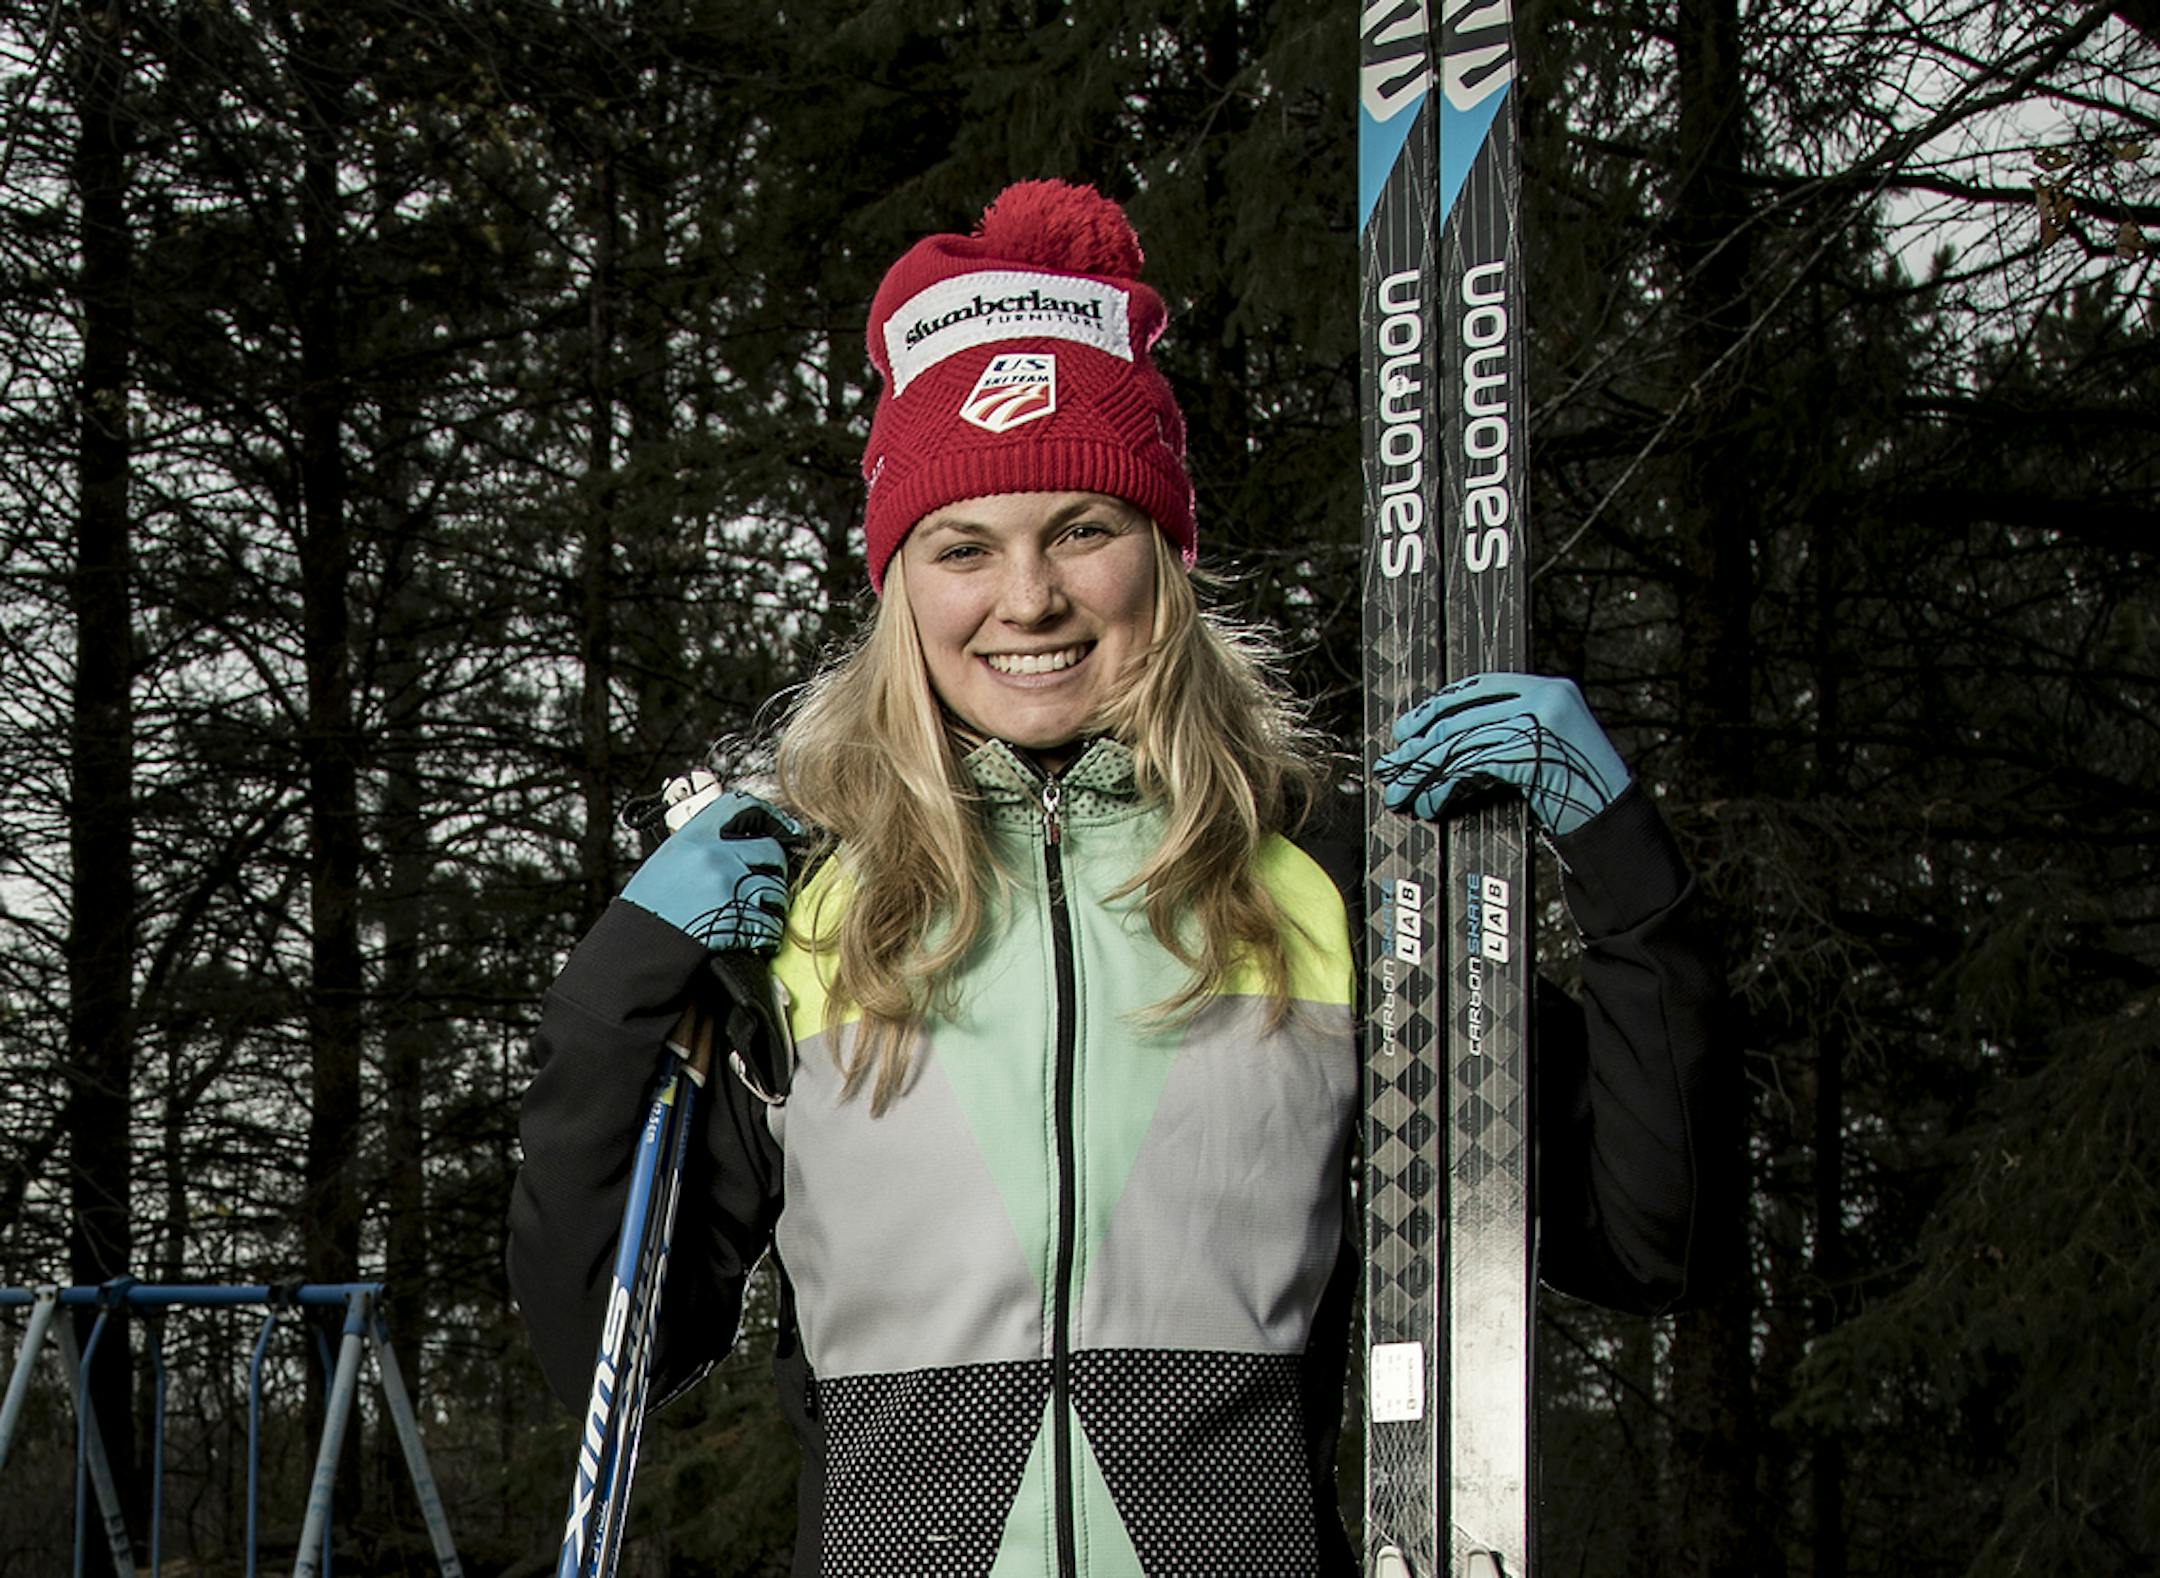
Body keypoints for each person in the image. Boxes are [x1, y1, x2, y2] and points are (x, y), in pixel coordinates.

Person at [509, 180, 1730, 1577]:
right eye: (963, 546)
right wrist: (622, 975)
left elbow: (1652, 1233)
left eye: (1084, 527)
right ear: (901, 584)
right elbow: (603, 1342)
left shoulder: (1327, 885)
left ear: (1168, 550)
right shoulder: (803, 915)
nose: (1026, 597)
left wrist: (1622, 859)